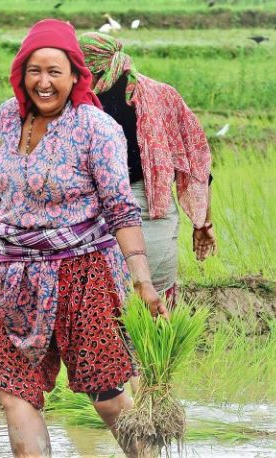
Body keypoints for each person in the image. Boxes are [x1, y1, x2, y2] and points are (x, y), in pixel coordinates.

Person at [0, 19, 164, 457]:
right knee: (15, 391)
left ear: (75, 76)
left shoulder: (96, 128)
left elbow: (121, 209)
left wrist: (142, 280)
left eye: (55, 71)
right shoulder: (7, 118)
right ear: (21, 74)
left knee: (105, 393)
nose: (44, 82)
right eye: (35, 71)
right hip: (15, 276)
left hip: (84, 274)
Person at [78, 32, 216, 307]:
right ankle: (152, 346)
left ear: (86, 66)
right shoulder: (161, 95)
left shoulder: (79, 104)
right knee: (153, 299)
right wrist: (203, 223)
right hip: (149, 206)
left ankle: (131, 348)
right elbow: (197, 162)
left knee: (106, 301)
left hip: (103, 207)